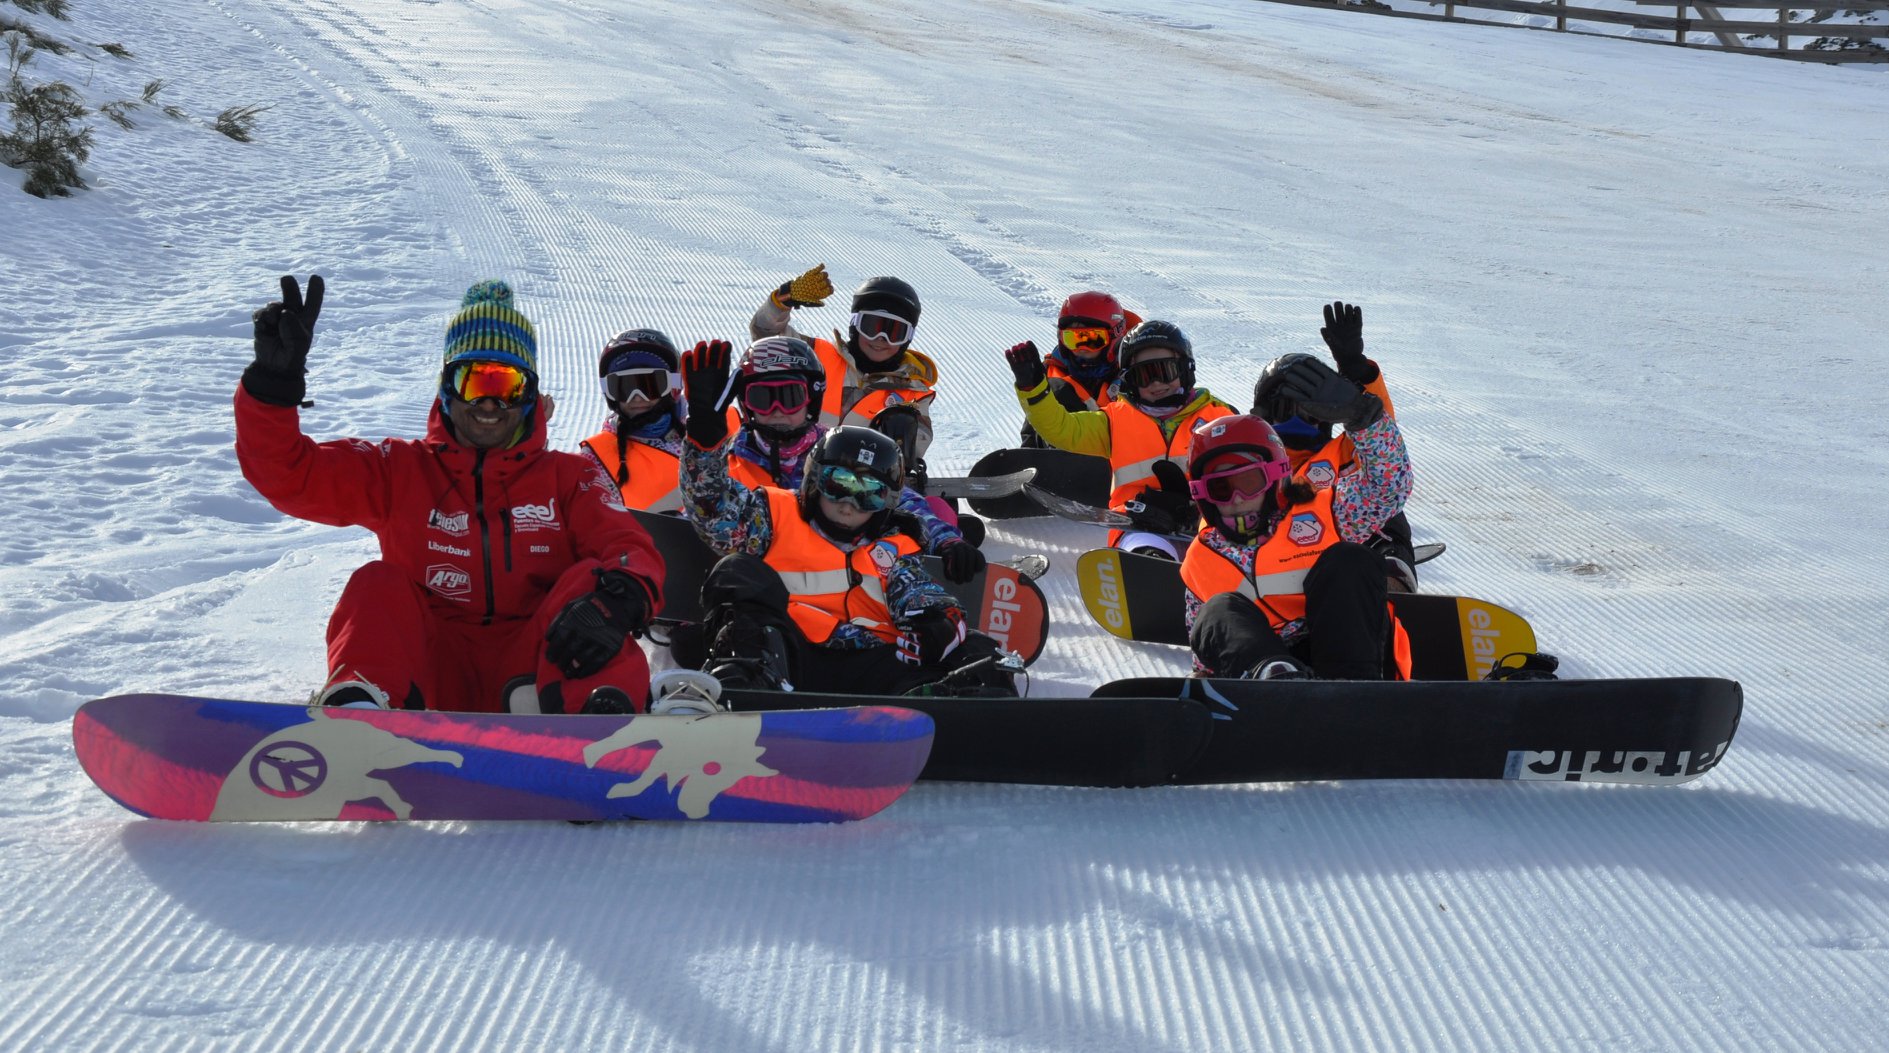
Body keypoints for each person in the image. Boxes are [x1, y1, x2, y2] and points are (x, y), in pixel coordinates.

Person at [236, 275, 670, 715]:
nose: (488, 404)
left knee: (595, 585)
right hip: (426, 675)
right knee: (377, 584)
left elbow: (628, 546)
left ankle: (604, 728)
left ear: (529, 396)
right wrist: (271, 392)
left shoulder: (568, 477)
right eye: (473, 382)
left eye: (506, 386)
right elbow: (290, 475)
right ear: (447, 389)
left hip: (538, 672)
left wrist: (620, 596)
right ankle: (360, 718)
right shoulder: (398, 469)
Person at [676, 339, 1015, 697]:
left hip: (869, 656)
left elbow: (915, 577)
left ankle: (950, 707)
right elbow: (711, 506)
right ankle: (746, 686)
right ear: (814, 481)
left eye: (867, 492)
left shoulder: (863, 488)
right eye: (837, 484)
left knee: (980, 652)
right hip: (785, 644)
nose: (850, 502)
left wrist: (939, 606)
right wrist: (704, 438)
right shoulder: (760, 496)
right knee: (737, 570)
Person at [717, 335, 984, 583]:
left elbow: (899, 496)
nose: (777, 412)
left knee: (914, 515)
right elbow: (703, 510)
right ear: (745, 403)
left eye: (790, 398)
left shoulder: (837, 448)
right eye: (762, 398)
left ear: (812, 398)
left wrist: (946, 541)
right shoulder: (726, 461)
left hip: (844, 580)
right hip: (760, 580)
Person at [1179, 401, 1414, 682]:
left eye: (1249, 481)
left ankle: (1353, 690)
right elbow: (1210, 644)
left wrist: (1366, 419)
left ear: (1275, 476)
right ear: (1204, 497)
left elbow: (1389, 487)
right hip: (1265, 677)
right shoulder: (1203, 558)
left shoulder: (1326, 512)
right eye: (1221, 489)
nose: (1237, 497)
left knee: (1350, 559)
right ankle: (1278, 682)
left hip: (1348, 660)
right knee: (1217, 610)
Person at [1004, 319, 1235, 559]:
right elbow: (1062, 429)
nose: (1156, 383)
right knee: (1144, 550)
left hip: (1210, 522)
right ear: (1130, 381)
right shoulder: (1115, 421)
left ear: (1186, 369)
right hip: (1138, 522)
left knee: (1226, 549)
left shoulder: (1218, 416)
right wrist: (1034, 389)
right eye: (1144, 376)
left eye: (1165, 372)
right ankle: (1149, 566)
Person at [1251, 301, 1418, 590]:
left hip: (1350, 552)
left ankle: (1391, 583)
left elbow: (1382, 437)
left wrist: (1357, 373)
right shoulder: (1253, 458)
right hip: (1275, 558)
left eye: (1309, 410)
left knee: (1390, 510)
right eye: (1285, 408)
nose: (1298, 420)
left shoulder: (1344, 451)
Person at [752, 264, 938, 439]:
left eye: (895, 332)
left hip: (861, 472)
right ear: (855, 325)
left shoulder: (912, 395)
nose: (881, 338)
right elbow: (766, 335)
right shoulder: (814, 357)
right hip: (792, 467)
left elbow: (916, 448)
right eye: (871, 327)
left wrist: (903, 438)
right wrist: (780, 303)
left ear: (908, 338)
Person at [578, 328, 686, 514]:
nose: (637, 397)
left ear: (673, 386)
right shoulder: (596, 459)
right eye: (623, 387)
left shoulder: (705, 433)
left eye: (650, 385)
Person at [1017, 290, 1143, 448]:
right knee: (1058, 391)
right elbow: (1032, 435)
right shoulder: (1053, 375)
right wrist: (1033, 389)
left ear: (1115, 335)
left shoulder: (1139, 370)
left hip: (1127, 459)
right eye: (1072, 339)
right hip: (1071, 466)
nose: (1081, 349)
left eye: (1092, 339)